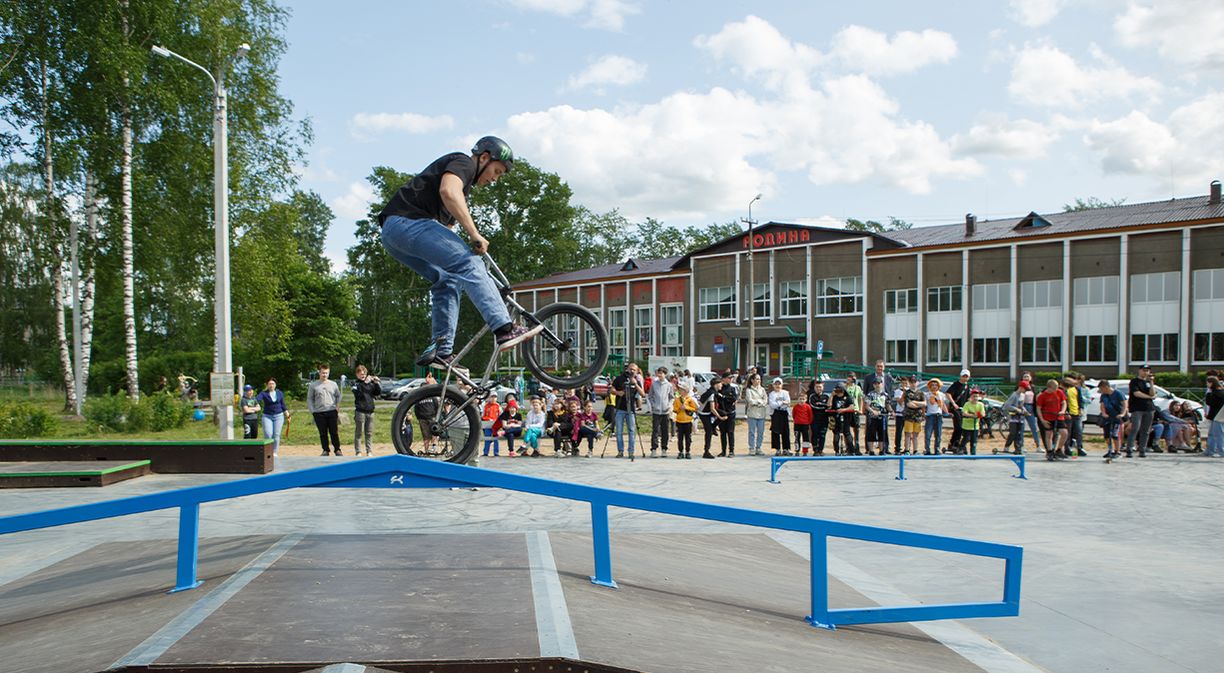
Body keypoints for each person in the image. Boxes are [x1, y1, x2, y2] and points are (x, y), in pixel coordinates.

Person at [377, 136, 542, 374]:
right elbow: (448, 191)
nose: (494, 179)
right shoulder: (463, 162)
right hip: (408, 223)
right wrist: (474, 234)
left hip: (394, 235)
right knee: (469, 263)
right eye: (496, 171)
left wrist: (485, 280)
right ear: (484, 157)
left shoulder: (463, 192)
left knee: (448, 278)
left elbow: (446, 234)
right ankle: (504, 328)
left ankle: (442, 351)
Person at [611, 363, 645, 459]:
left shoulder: (636, 380)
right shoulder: (619, 378)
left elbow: (642, 394)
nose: (632, 371)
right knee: (619, 431)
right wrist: (618, 392)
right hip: (620, 408)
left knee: (631, 430)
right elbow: (611, 389)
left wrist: (635, 384)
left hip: (631, 410)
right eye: (630, 369)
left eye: (634, 369)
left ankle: (631, 451)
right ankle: (620, 451)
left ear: (637, 371)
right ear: (627, 369)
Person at [308, 364, 342, 456]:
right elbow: (310, 399)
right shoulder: (313, 385)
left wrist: (337, 406)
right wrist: (313, 411)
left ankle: (337, 449)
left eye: (326, 373)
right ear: (319, 372)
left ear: (329, 373)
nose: (324, 375)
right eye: (323, 373)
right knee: (323, 433)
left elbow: (338, 396)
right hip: (319, 413)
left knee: (334, 432)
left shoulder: (333, 384)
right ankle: (325, 450)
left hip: (331, 411)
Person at [863, 360, 896, 452]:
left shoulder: (888, 377)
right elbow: (864, 393)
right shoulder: (868, 377)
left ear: (884, 367)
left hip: (884, 409)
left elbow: (890, 391)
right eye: (878, 366)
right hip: (871, 409)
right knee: (871, 431)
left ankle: (885, 448)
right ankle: (869, 449)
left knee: (883, 430)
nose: (879, 368)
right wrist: (867, 408)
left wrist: (890, 409)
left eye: (881, 366)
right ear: (875, 367)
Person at [1124, 365, 1155, 458]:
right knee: (1135, 429)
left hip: (1149, 408)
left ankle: (1142, 450)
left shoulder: (1148, 382)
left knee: (1145, 431)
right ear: (1139, 371)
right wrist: (1149, 397)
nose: (1145, 372)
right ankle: (1129, 449)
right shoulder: (1134, 381)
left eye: (1147, 371)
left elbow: (1152, 393)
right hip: (1137, 408)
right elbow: (1136, 393)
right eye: (1144, 370)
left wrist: (1152, 382)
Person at [350, 364, 382, 457]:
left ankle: (369, 450)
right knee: (359, 432)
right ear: (357, 375)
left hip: (370, 411)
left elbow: (378, 393)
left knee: (369, 433)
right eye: (360, 374)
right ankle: (358, 451)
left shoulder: (370, 384)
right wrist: (365, 383)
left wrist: (376, 383)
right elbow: (358, 394)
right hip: (360, 411)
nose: (362, 375)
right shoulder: (355, 384)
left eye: (364, 374)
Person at [1036, 379, 1069, 460]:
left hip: (1058, 416)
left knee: (1064, 433)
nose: (1055, 390)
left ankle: (1059, 450)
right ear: (1049, 387)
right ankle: (1050, 451)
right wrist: (1042, 420)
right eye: (1054, 388)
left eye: (1057, 388)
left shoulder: (1059, 392)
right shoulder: (1042, 396)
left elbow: (1064, 402)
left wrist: (1063, 411)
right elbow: (1038, 408)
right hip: (1048, 417)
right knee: (1049, 434)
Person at [256, 378, 289, 456]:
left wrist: (287, 413)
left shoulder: (279, 393)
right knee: (268, 434)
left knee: (276, 434)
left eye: (273, 384)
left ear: (275, 385)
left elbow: (282, 404)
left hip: (279, 416)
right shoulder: (263, 393)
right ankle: (267, 451)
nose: (271, 385)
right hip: (267, 416)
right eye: (269, 384)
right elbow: (257, 399)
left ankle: (274, 451)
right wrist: (256, 404)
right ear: (267, 385)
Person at [1098, 380, 1128, 460]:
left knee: (1115, 434)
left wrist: (1122, 414)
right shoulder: (1103, 395)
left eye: (1102, 388)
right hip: (1108, 417)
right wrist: (1103, 413)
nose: (1101, 390)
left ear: (1106, 387)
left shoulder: (1118, 393)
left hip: (1116, 416)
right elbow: (1102, 405)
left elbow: (1125, 404)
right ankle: (1110, 449)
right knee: (1107, 435)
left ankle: (1117, 451)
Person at [647, 367, 673, 458]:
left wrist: (669, 406)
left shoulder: (669, 385)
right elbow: (650, 396)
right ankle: (654, 449)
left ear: (665, 374)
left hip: (665, 411)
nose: (659, 375)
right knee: (655, 430)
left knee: (665, 430)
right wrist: (653, 405)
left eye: (661, 373)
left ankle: (664, 449)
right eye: (658, 373)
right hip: (656, 411)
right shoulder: (654, 384)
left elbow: (671, 397)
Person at [945, 369, 972, 453]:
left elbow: (968, 398)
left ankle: (957, 444)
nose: (965, 378)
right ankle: (953, 443)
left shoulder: (967, 386)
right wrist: (953, 404)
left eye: (966, 376)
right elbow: (948, 393)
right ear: (960, 376)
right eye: (963, 376)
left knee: (962, 428)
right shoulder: (956, 384)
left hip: (963, 409)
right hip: (955, 409)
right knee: (958, 427)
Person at [1000, 382, 1031, 455]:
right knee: (1013, 433)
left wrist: (1025, 411)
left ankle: (1018, 448)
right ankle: (1007, 446)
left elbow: (1021, 405)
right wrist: (1016, 409)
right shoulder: (1014, 395)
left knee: (1019, 433)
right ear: (1020, 387)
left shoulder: (1022, 395)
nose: (1025, 391)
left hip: (1020, 417)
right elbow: (1007, 406)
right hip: (1013, 417)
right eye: (1025, 389)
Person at [698, 377, 723, 459]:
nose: (721, 385)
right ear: (716, 385)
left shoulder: (712, 391)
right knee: (708, 432)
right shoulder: (711, 393)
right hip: (704, 413)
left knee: (725, 414)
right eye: (720, 383)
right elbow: (712, 409)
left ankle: (713, 427)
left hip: (708, 412)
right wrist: (719, 417)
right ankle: (706, 451)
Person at [744, 373, 768, 456]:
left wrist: (759, 402)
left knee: (761, 432)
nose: (758, 381)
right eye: (757, 379)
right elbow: (750, 401)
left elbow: (765, 400)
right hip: (752, 413)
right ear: (752, 380)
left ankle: (758, 447)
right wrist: (759, 401)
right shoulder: (749, 390)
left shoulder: (762, 389)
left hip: (761, 413)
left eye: (759, 379)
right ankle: (751, 448)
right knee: (752, 432)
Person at [864, 378, 889, 455]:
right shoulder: (870, 394)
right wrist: (873, 411)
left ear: (882, 384)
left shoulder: (885, 395)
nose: (877, 385)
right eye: (875, 384)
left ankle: (882, 450)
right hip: (872, 417)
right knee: (871, 434)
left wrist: (892, 411)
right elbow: (867, 406)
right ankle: (871, 451)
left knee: (882, 434)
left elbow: (888, 405)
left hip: (882, 417)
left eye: (879, 383)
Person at [768, 378, 791, 456]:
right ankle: (777, 449)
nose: (778, 386)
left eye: (779, 384)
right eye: (776, 384)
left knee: (786, 431)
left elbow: (788, 402)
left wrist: (780, 403)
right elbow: (772, 405)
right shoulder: (772, 394)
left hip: (784, 413)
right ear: (773, 385)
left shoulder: (785, 393)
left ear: (782, 385)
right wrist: (782, 402)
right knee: (775, 431)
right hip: (775, 414)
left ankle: (786, 449)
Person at [673, 385, 698, 459]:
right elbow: (675, 409)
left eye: (682, 390)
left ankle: (688, 451)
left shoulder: (689, 399)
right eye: (680, 390)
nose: (680, 391)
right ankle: (680, 451)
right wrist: (679, 409)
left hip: (688, 420)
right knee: (680, 438)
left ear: (686, 391)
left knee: (688, 437)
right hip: (679, 420)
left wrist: (686, 407)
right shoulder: (677, 400)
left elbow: (694, 408)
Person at [923, 379, 947, 455]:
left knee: (938, 434)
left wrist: (947, 412)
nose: (934, 387)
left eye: (936, 385)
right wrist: (924, 413)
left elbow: (943, 405)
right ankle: (927, 449)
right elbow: (924, 405)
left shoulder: (941, 395)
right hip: (930, 415)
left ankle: (937, 449)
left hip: (938, 415)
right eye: (932, 385)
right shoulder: (927, 394)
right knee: (928, 434)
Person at [902, 379, 926, 455]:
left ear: (917, 383)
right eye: (911, 382)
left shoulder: (920, 393)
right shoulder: (907, 393)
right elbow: (909, 404)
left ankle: (915, 450)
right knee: (908, 434)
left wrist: (915, 402)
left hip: (918, 417)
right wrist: (919, 405)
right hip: (909, 416)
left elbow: (925, 403)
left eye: (914, 382)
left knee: (916, 434)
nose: (913, 384)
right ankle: (907, 450)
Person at [716, 374, 738, 457]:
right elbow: (717, 398)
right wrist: (726, 398)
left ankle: (731, 451)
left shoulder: (732, 388)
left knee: (730, 432)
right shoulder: (719, 389)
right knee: (723, 432)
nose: (730, 379)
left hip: (731, 413)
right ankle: (723, 451)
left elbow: (734, 399)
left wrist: (725, 397)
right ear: (723, 379)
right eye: (729, 378)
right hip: (722, 413)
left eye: (731, 378)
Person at [807, 381, 831, 455]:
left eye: (820, 387)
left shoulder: (826, 397)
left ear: (823, 388)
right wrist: (824, 406)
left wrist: (821, 404)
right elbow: (813, 406)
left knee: (822, 434)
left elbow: (829, 406)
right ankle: (815, 450)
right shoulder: (812, 396)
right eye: (817, 387)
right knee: (815, 434)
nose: (818, 388)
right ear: (814, 388)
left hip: (824, 419)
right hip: (814, 419)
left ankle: (821, 450)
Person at [960, 389, 986, 456]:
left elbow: (983, 413)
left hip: (975, 425)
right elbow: (964, 413)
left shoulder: (980, 404)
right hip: (966, 425)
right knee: (966, 438)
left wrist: (980, 415)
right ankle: (962, 449)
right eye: (974, 396)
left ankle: (973, 452)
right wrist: (972, 415)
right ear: (971, 397)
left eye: (976, 396)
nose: (975, 398)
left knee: (974, 440)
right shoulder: (967, 404)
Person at [843, 373, 864, 453]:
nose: (850, 379)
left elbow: (860, 398)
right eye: (849, 377)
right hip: (847, 410)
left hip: (855, 410)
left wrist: (861, 409)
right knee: (846, 430)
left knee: (856, 429)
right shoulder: (844, 387)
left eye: (851, 378)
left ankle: (857, 446)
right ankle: (848, 446)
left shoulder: (857, 388)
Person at [1204, 378, 1224, 457]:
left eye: (1208, 383)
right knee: (1212, 434)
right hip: (1217, 416)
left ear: (1211, 383)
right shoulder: (1221, 391)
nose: (1207, 385)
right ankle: (1209, 450)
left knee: (1218, 434)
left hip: (1217, 416)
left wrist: (1208, 394)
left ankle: (1221, 451)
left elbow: (1210, 402)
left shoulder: (1216, 393)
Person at [892, 376, 909, 451]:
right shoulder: (897, 391)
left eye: (906, 383)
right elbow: (900, 401)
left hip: (908, 414)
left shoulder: (910, 391)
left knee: (908, 432)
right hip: (899, 414)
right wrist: (904, 393)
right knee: (899, 431)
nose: (904, 385)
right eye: (903, 383)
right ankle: (897, 448)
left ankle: (907, 448)